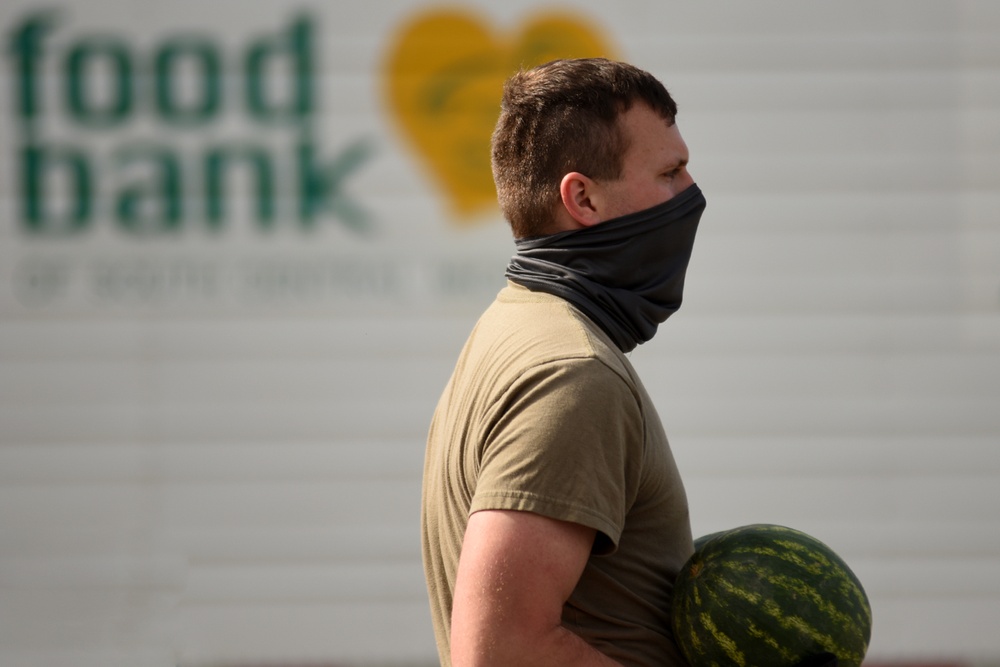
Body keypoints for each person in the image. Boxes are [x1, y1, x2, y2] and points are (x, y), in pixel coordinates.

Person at [421, 58, 707, 667]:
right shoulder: (572, 374)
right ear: (583, 198)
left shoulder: (515, 324)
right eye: (671, 172)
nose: (692, 195)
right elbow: (503, 651)